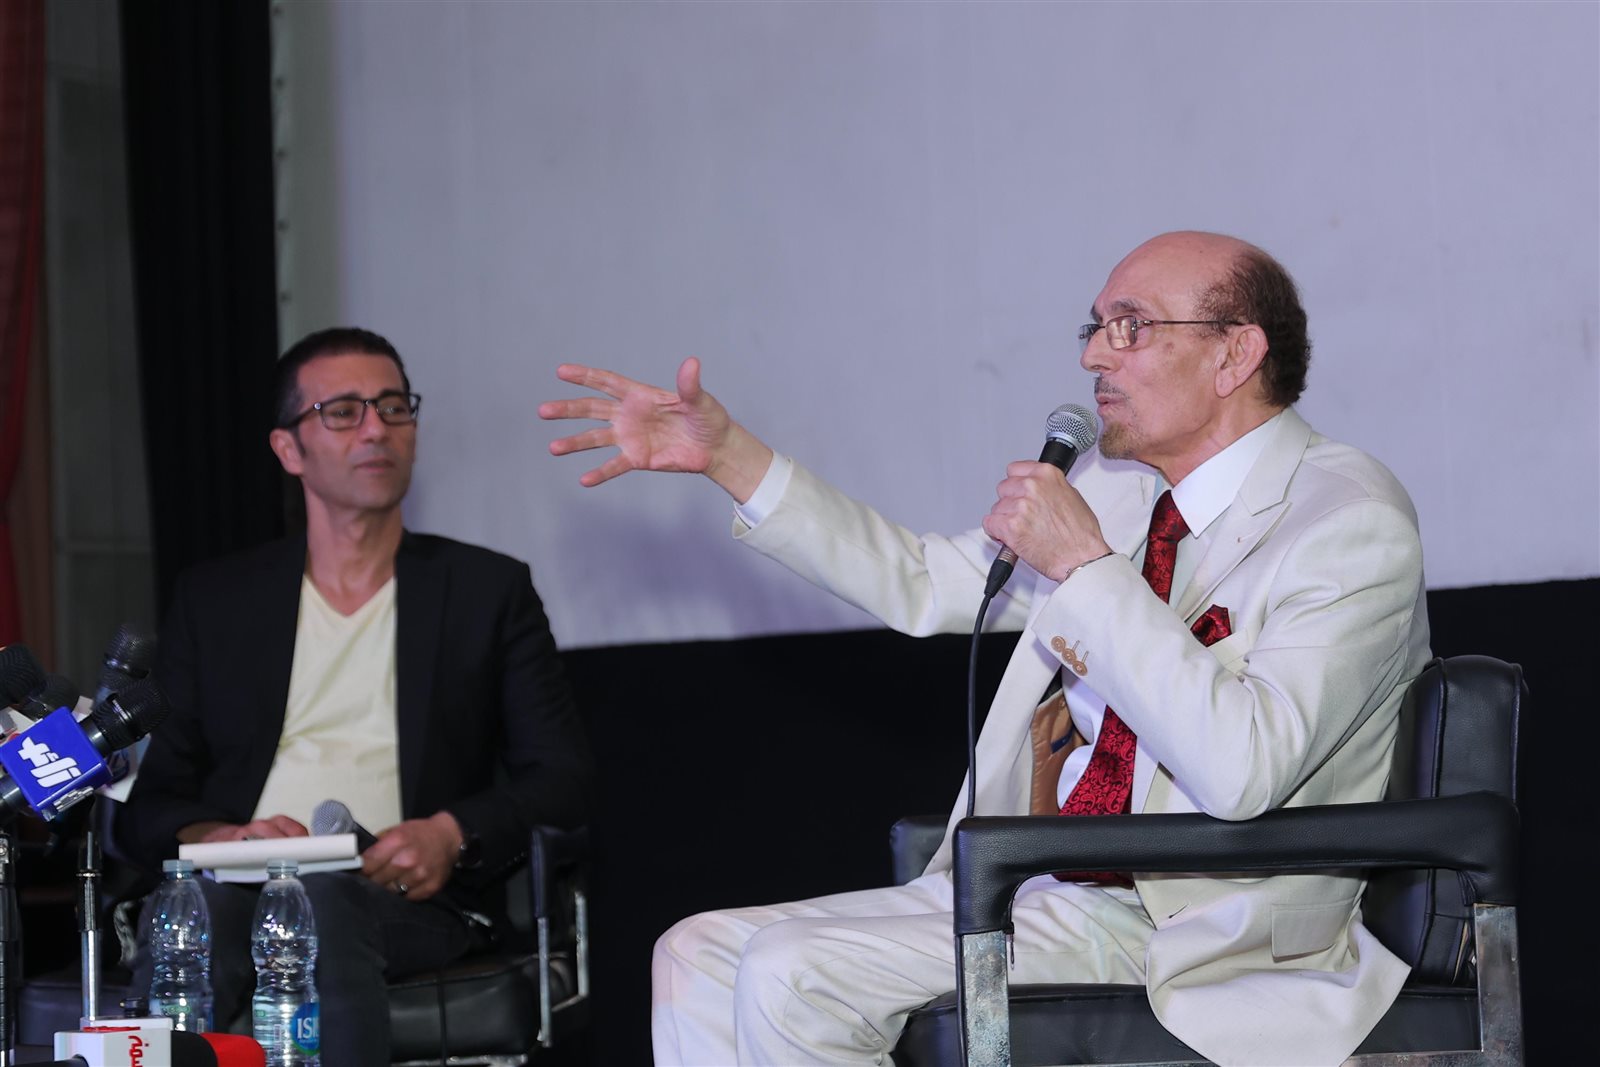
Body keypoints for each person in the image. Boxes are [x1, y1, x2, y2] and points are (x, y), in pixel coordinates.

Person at [539, 231, 1431, 1067]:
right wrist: (730, 456)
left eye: (1130, 327)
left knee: (793, 971)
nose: (1094, 355)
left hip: (1204, 923)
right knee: (696, 953)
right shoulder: (1121, 493)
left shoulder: (1345, 520)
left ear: (1235, 353)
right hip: (1049, 885)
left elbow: (1244, 768)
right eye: (1094, 327)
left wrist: (1085, 566)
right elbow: (924, 581)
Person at [120, 327, 592, 1065]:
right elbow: (151, 807)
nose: (377, 429)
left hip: (400, 898)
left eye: (393, 407)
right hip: (240, 885)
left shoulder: (485, 592)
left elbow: (563, 776)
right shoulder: (217, 602)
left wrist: (451, 833)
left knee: (323, 904)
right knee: (194, 918)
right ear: (288, 449)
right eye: (343, 411)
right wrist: (223, 841)